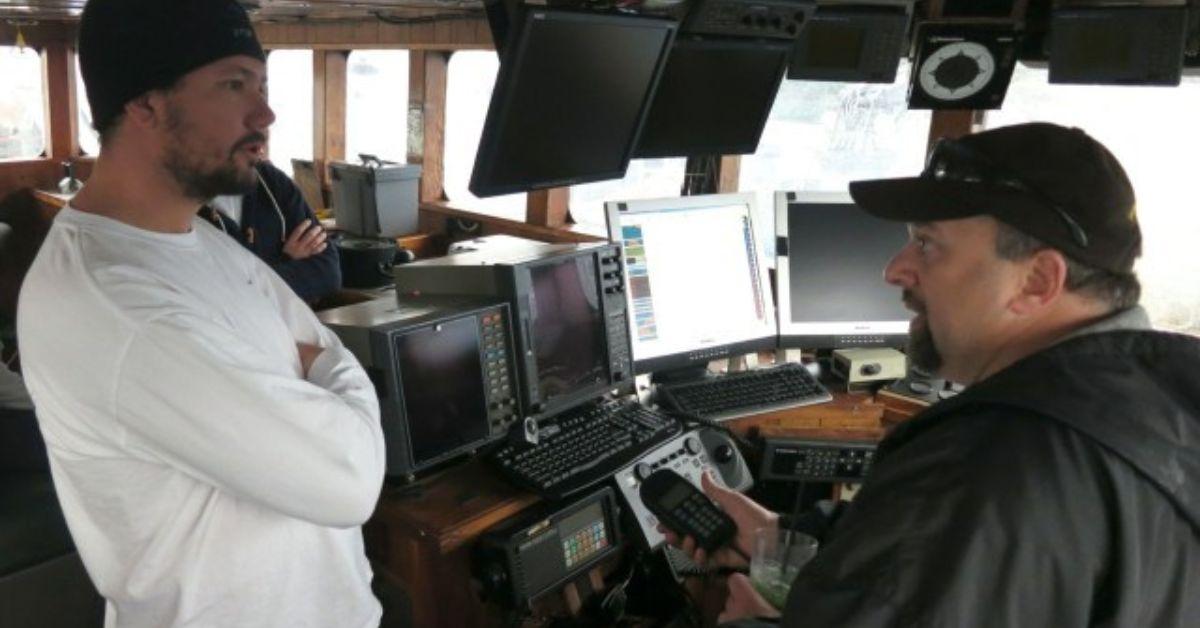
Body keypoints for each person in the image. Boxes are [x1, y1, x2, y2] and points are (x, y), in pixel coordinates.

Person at [664, 122, 1200, 627]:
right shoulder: (1166, 401)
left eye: (927, 243)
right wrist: (781, 537)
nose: (894, 269)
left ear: (1038, 280)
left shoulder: (984, 462)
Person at [17, 1, 386, 627]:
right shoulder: (113, 303)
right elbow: (349, 478)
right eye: (234, 84)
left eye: (263, 85)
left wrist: (320, 363)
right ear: (145, 104)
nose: (266, 112)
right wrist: (331, 370)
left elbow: (317, 343)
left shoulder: (200, 235)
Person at [203, 158, 342, 303]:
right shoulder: (185, 208)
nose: (260, 141)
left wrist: (263, 276)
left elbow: (329, 273)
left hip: (294, 324)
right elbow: (218, 299)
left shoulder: (270, 180)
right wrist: (285, 261)